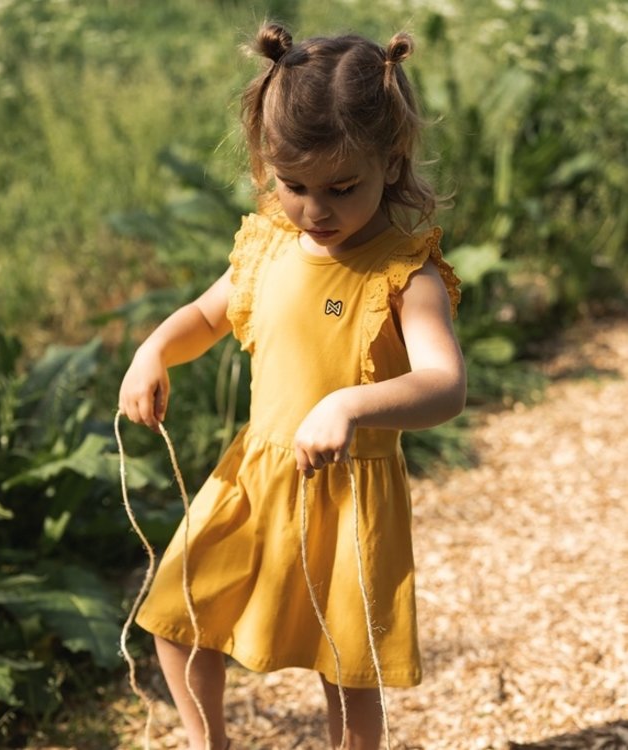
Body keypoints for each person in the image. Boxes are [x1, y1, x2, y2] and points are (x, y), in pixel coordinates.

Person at [118, 21, 466, 750]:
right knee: (176, 618)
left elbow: (444, 385)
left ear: (391, 159)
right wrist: (152, 350)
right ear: (266, 164)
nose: (316, 209)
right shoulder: (268, 243)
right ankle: (205, 741)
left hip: (350, 497)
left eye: (343, 187)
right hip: (254, 476)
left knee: (346, 672)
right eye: (294, 184)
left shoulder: (406, 273)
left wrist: (350, 402)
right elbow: (206, 316)